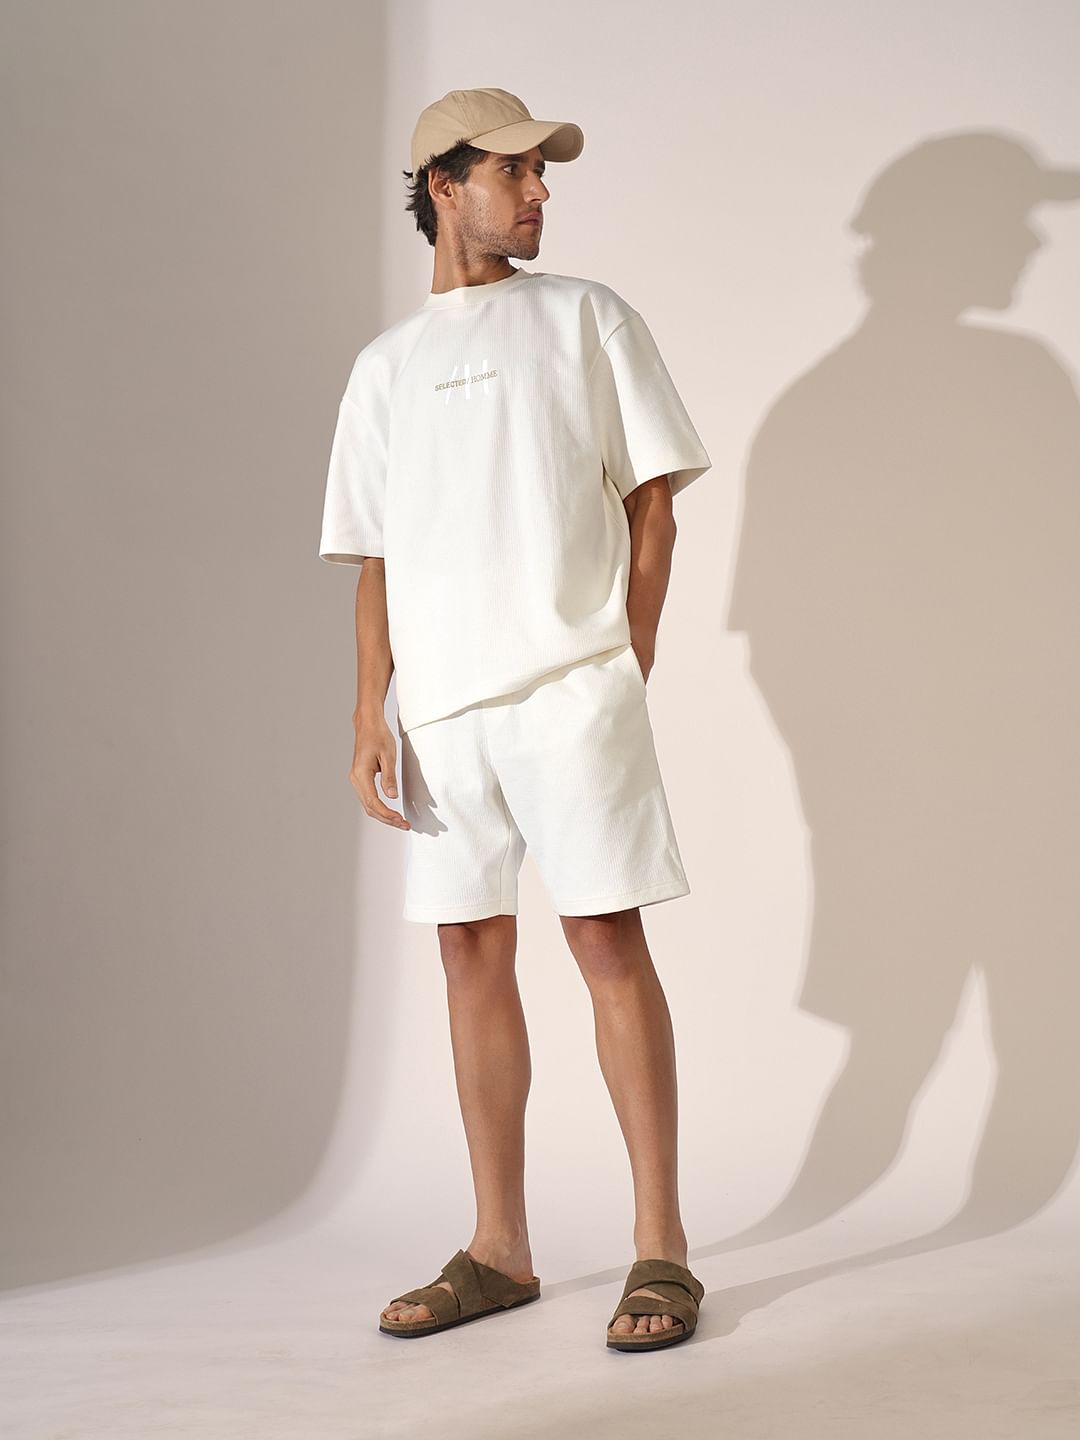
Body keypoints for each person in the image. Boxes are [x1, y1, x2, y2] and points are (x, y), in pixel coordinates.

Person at [318, 88, 710, 1352]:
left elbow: (654, 497)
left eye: (544, 173)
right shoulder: (384, 366)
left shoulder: (587, 316)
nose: (539, 192)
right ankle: (500, 1251)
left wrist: (629, 652)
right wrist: (370, 708)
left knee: (605, 939)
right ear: (444, 186)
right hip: (442, 710)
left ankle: (662, 1248)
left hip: (571, 688)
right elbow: (377, 552)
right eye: (513, 171)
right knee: (468, 955)